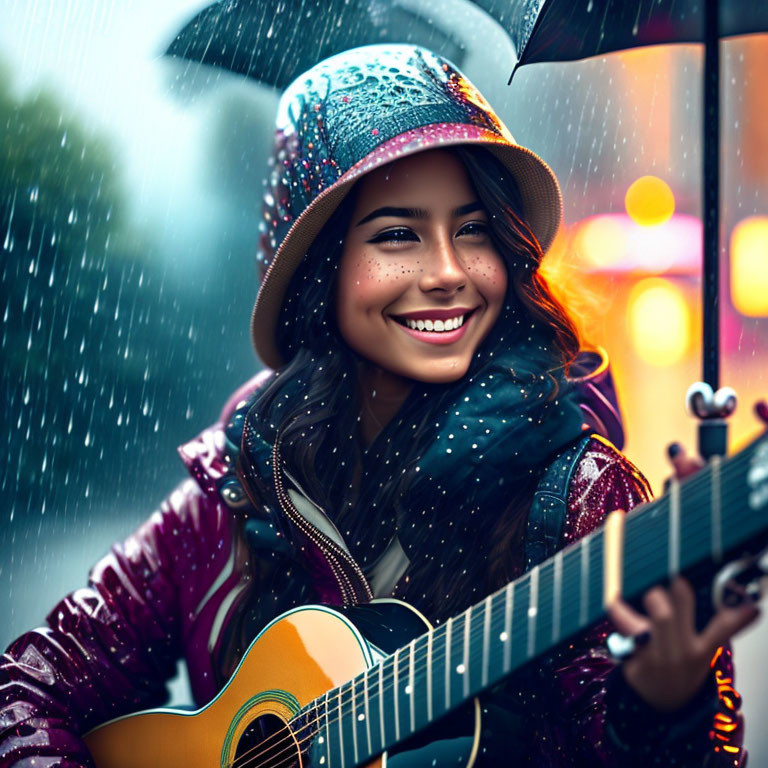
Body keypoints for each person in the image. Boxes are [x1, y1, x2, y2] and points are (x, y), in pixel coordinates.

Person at [0, 44, 758, 767]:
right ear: (319, 273)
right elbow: (27, 691)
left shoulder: (584, 498)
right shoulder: (233, 487)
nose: (448, 272)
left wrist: (662, 705)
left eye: (472, 231)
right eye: (398, 235)